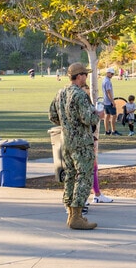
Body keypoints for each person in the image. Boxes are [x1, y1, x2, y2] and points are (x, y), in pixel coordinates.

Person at [49, 62, 104, 230]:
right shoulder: (80, 95)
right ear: (79, 76)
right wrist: (98, 115)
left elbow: (52, 115)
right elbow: (88, 119)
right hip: (81, 141)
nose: (86, 78)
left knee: (71, 175)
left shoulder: (61, 93)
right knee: (84, 176)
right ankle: (77, 215)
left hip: (66, 140)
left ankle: (70, 212)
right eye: (85, 75)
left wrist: (67, 123)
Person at [102, 68, 121, 136]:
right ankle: (113, 130)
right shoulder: (107, 81)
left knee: (107, 116)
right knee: (114, 116)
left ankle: (107, 131)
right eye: (111, 74)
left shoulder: (104, 80)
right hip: (109, 102)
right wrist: (113, 101)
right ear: (108, 73)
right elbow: (108, 92)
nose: (112, 75)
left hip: (105, 101)